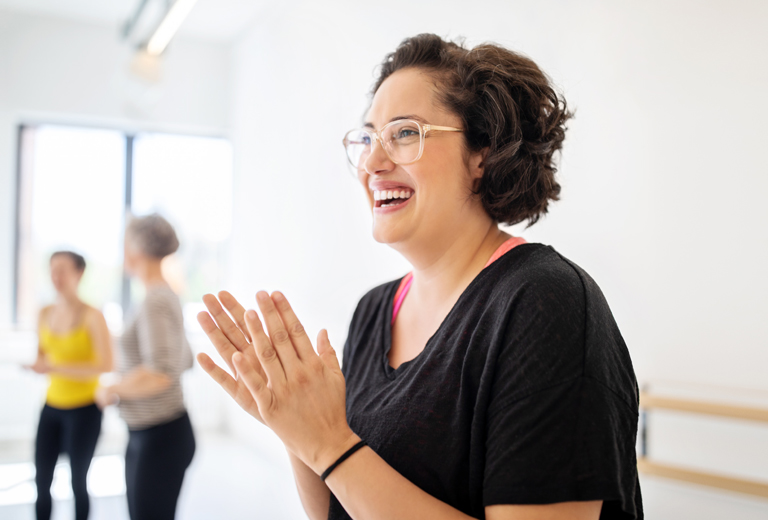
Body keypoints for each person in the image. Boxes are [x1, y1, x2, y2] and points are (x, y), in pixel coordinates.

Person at [196, 33, 642, 520]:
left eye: (404, 133)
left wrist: (329, 445)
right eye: (367, 138)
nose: (372, 163)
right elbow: (337, 510)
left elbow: (340, 458)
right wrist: (295, 427)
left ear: (481, 154)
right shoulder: (374, 310)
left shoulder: (544, 301)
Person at [96, 214, 195, 520]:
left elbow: (161, 372)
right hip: (156, 433)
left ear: (134, 250)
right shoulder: (166, 294)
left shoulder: (155, 300)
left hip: (160, 437)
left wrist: (111, 388)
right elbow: (185, 360)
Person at [26, 251, 113, 520]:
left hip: (85, 410)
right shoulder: (43, 313)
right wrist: (39, 365)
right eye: (53, 269)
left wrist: (55, 367)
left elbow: (106, 365)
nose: (56, 276)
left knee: (78, 482)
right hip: (51, 407)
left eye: (63, 269)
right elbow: (42, 355)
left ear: (79, 273)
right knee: (41, 481)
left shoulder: (93, 316)